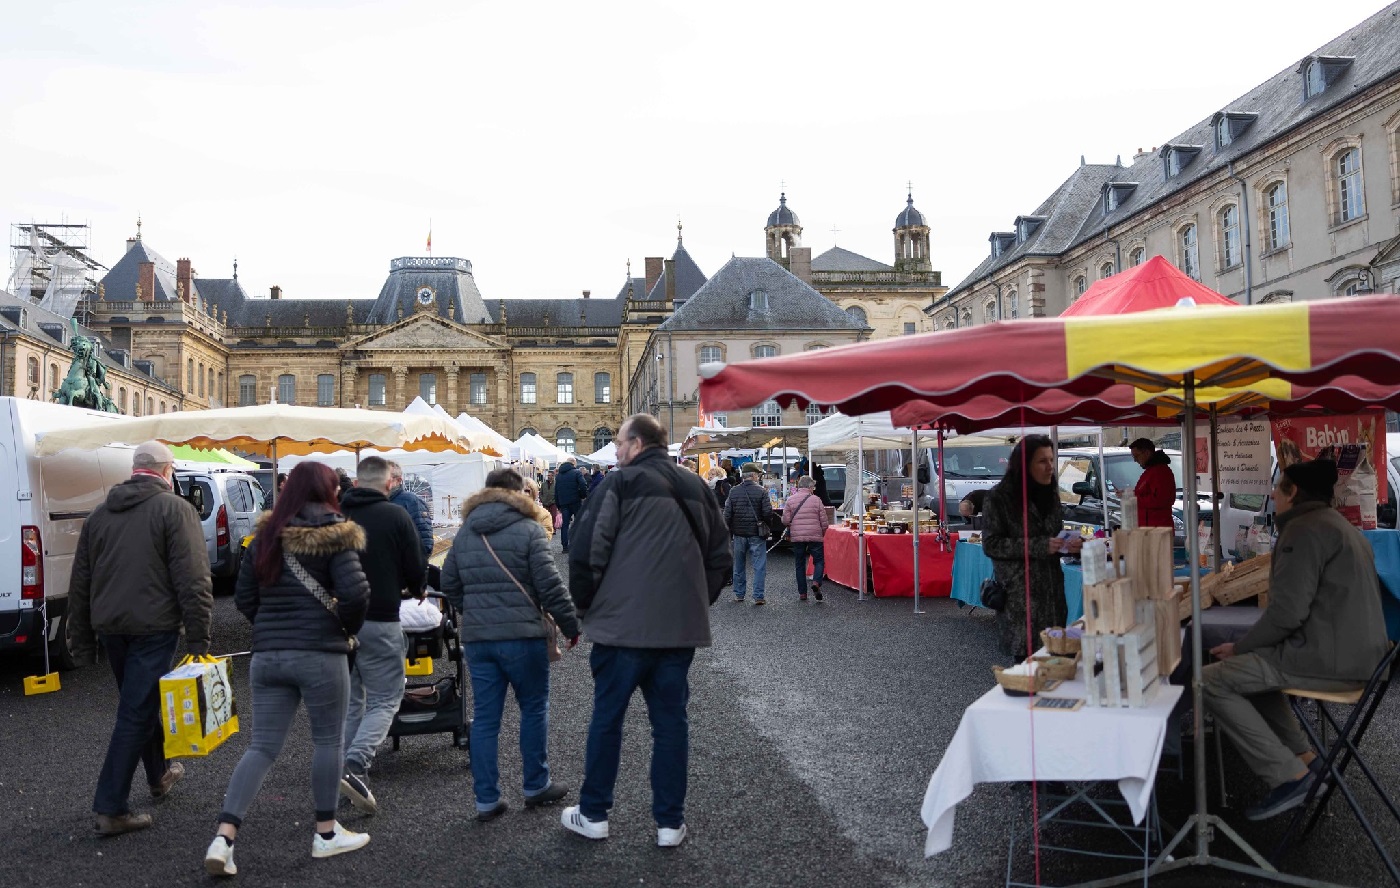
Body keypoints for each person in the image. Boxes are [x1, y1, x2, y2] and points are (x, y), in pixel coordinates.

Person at [562, 414, 731, 847]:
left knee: (607, 720)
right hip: (677, 632)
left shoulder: (617, 485)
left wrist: (587, 608)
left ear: (636, 444)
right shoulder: (696, 486)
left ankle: (595, 812)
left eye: (619, 443)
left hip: (620, 632)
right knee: (671, 725)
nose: (615, 450)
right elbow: (720, 558)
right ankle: (670, 824)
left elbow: (584, 554)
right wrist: (693, 604)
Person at [204, 462, 372, 875]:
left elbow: (244, 597)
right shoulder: (336, 533)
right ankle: (326, 834)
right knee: (328, 742)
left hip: (268, 655)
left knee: (261, 748)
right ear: (328, 491)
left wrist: (269, 627)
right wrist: (344, 630)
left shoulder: (265, 535)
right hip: (320, 653)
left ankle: (223, 839)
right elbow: (355, 595)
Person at [1204, 458, 1390, 821]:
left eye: (1278, 488)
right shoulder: (1337, 525)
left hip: (1330, 662)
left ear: (1294, 494)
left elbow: (1286, 614)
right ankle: (1305, 759)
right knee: (1250, 672)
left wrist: (1241, 646)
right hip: (1358, 657)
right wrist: (1247, 651)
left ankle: (1288, 777)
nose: (1272, 495)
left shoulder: (1303, 530)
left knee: (1208, 680)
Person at [67, 441, 213, 837]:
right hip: (154, 627)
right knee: (135, 712)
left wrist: (79, 639)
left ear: (135, 470)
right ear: (168, 471)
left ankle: (160, 773)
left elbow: (80, 580)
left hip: (111, 627)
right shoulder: (175, 509)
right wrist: (199, 639)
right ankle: (111, 806)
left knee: (140, 703)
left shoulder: (100, 514)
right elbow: (194, 580)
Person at [441, 468, 580, 822]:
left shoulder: (465, 533)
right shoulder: (530, 530)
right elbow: (549, 585)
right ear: (520, 493)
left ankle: (486, 799)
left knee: (486, 718)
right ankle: (535, 784)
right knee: (533, 708)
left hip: (479, 638)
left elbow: (449, 583)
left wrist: (471, 611)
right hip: (523, 637)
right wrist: (569, 624)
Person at [337, 456, 427, 812]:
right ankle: (356, 763)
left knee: (353, 700)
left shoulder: (339, 516)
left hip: (340, 621)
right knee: (387, 696)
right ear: (390, 483)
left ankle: (344, 771)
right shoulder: (396, 516)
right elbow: (415, 567)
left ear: (357, 483)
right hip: (381, 617)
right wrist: (417, 586)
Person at [982, 434, 1081, 661]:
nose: (1050, 467)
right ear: (1024, 465)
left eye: (1051, 460)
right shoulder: (998, 498)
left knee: (1056, 659)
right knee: (1028, 666)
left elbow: (1054, 536)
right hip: (1021, 599)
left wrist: (1072, 545)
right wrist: (1040, 545)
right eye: (1042, 461)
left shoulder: (1051, 495)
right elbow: (991, 544)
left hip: (1053, 595)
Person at [724, 463, 774, 605]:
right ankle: (758, 595)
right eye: (757, 475)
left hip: (739, 533)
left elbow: (727, 514)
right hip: (756, 533)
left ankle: (739, 594)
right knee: (759, 565)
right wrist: (767, 527)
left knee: (738, 564)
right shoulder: (762, 491)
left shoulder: (734, 491)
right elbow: (767, 513)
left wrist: (728, 531)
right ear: (753, 475)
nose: (758, 477)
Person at [783, 475, 829, 602]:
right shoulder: (816, 500)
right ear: (809, 487)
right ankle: (816, 582)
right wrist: (823, 532)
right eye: (813, 486)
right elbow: (824, 521)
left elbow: (785, 520)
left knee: (799, 564)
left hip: (798, 536)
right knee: (819, 561)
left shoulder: (791, 500)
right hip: (815, 535)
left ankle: (802, 593)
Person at [386, 460, 434, 558]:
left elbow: (425, 541)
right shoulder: (376, 500)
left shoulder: (412, 501)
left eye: (386, 478)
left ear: (398, 480)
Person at [1129, 438, 1175, 528]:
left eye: (1136, 456)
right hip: (1148, 528)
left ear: (1147, 453)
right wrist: (1130, 494)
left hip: (1157, 530)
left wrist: (1134, 498)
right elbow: (1144, 493)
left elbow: (1160, 500)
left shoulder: (1160, 471)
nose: (1135, 460)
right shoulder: (1150, 471)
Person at [554, 457, 589, 553]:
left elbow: (556, 491)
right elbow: (583, 485)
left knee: (565, 525)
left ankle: (565, 547)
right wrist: (583, 495)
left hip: (564, 503)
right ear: (573, 463)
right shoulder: (577, 472)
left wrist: (558, 505)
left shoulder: (559, 475)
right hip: (576, 501)